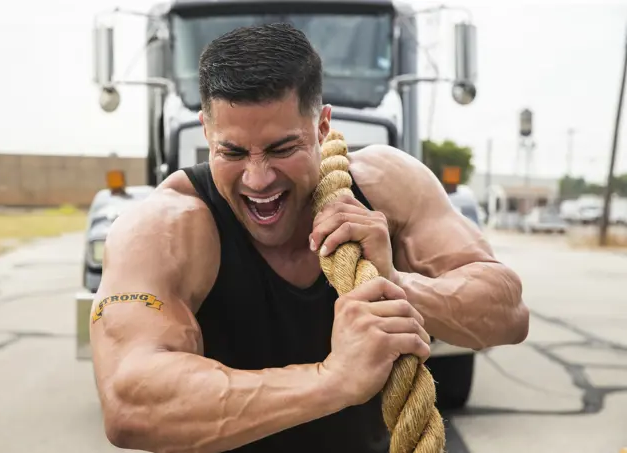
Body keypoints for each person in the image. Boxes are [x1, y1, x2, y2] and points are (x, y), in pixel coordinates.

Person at [89, 23, 529, 453]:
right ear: (207, 130)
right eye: (233, 152)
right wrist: (332, 380)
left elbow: (509, 312)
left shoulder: (387, 184)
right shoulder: (165, 226)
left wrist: (396, 283)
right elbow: (131, 401)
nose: (258, 179)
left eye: (283, 149)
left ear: (322, 127)